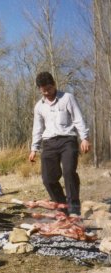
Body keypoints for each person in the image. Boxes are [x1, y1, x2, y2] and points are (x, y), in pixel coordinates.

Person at [28, 71, 90, 216]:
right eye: (43, 91)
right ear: (39, 90)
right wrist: (34, 148)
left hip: (67, 140)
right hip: (49, 143)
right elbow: (37, 128)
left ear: (54, 85)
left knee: (69, 172)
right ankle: (63, 207)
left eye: (49, 89)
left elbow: (78, 118)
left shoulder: (67, 98)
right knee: (48, 179)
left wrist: (85, 137)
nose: (47, 93)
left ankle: (74, 207)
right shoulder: (39, 106)